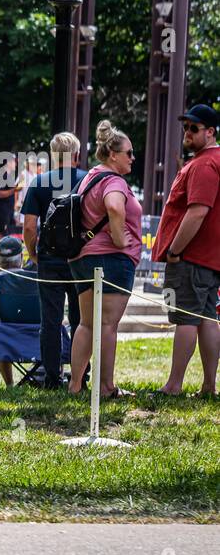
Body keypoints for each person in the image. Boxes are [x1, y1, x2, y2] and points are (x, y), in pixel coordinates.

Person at [68, 120, 142, 399]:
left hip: (83, 258)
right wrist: (122, 240)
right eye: (129, 153)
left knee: (86, 323)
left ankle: (75, 385)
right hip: (111, 259)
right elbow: (113, 205)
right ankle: (106, 387)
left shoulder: (90, 176)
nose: (133, 158)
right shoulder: (114, 180)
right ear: (114, 155)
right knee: (108, 325)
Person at [152, 104, 220, 397]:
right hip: (207, 258)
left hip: (192, 257)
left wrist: (175, 251)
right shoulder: (209, 161)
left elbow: (197, 212)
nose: (188, 133)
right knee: (206, 318)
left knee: (185, 318)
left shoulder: (205, 164)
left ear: (210, 132)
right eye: (186, 128)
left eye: (194, 128)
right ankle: (208, 386)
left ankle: (174, 385)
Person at [22, 132, 86, 389]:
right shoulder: (88, 181)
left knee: (50, 321)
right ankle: (81, 376)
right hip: (81, 258)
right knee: (83, 321)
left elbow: (29, 227)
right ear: (77, 155)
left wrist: (33, 253)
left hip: (49, 258)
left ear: (52, 155)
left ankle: (52, 377)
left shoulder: (39, 182)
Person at [0, 236, 42, 385]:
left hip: (4, 342)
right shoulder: (39, 281)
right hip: (39, 340)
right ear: (22, 257)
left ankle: (9, 385)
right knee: (0, 331)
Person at [0, 156, 20, 250]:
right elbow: (0, 194)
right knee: (1, 233)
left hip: (9, 210)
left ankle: (6, 255)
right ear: (9, 162)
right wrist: (15, 189)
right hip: (2, 209)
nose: (16, 164)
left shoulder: (10, 176)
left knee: (9, 233)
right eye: (15, 162)